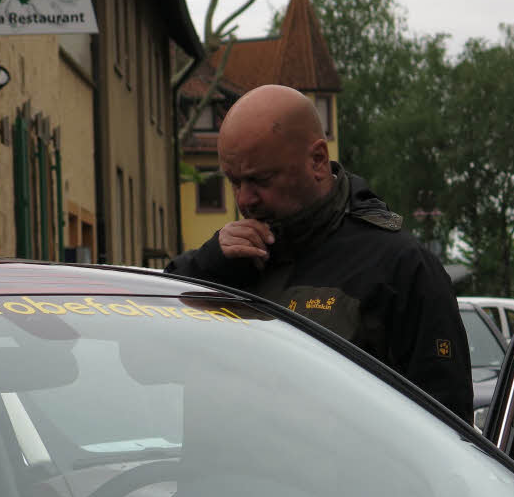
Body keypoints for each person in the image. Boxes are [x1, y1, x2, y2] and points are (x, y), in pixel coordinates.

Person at [166, 85, 474, 423]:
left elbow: (447, 430)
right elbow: (144, 362)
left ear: (317, 160)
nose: (243, 200)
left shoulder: (401, 267)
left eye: (260, 180)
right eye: (234, 182)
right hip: (224, 474)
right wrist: (207, 266)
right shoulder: (222, 262)